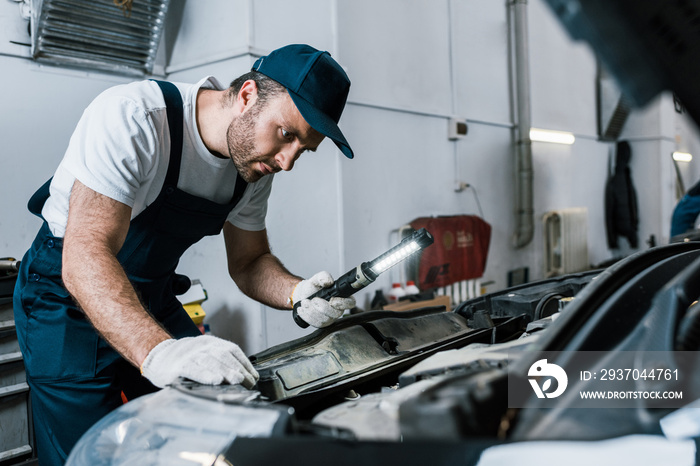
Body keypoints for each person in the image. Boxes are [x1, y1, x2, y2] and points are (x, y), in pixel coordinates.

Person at [13, 44, 357, 465]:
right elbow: (86, 253)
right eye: (287, 134)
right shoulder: (135, 118)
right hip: (63, 304)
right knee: (90, 453)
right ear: (247, 95)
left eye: (304, 148)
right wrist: (159, 350)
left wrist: (297, 292)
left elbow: (249, 262)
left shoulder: (252, 167)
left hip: (150, 298)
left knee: (215, 421)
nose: (287, 161)